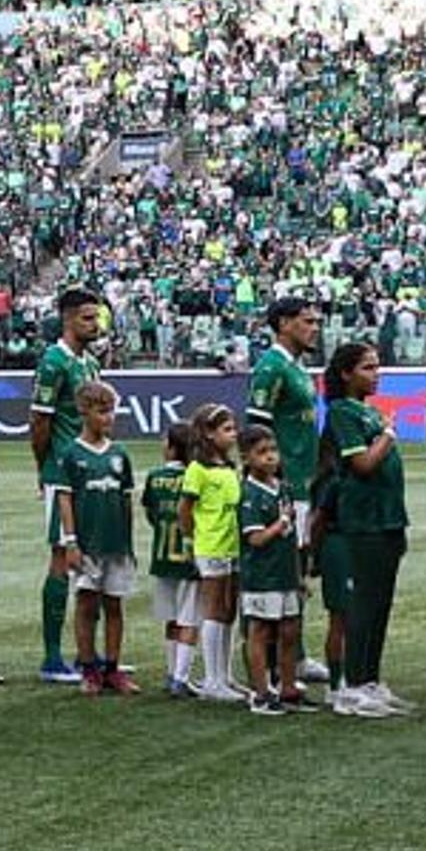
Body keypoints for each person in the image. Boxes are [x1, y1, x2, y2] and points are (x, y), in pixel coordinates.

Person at [243, 294, 333, 689]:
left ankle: (293, 655)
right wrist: (271, 481)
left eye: (315, 321)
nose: (313, 327)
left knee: (295, 569)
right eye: (306, 321)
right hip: (285, 485)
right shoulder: (271, 367)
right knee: (281, 570)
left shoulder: (296, 366)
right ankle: (274, 661)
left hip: (302, 481)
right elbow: (256, 427)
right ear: (283, 324)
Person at [320, 338, 411, 718]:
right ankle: (351, 686)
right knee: (362, 605)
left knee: (380, 603)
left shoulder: (368, 412)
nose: (376, 375)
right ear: (346, 374)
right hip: (363, 520)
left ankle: (371, 680)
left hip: (387, 517)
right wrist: (388, 435)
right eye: (367, 368)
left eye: (377, 366)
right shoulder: (343, 412)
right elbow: (362, 465)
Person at [27, 285, 106, 683]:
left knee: (91, 561)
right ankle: (52, 657)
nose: (94, 325)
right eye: (87, 318)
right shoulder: (54, 362)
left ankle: (87, 655)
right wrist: (46, 469)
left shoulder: (89, 363)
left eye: (96, 318)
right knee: (61, 558)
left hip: (92, 473)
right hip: (65, 474)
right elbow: (39, 422)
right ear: (68, 319)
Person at [51, 377, 138, 696]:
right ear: (84, 412)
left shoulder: (120, 454)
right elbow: (65, 499)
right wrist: (71, 541)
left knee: (115, 605)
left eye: (112, 411)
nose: (109, 418)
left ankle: (113, 668)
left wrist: (129, 543)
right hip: (87, 544)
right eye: (102, 411)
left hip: (116, 544)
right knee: (87, 605)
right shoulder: (72, 454)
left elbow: (127, 498)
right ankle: (88, 668)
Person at [236, 426, 302, 715]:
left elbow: (292, 536)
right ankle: (260, 692)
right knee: (260, 632)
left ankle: (288, 688)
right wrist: (281, 524)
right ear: (246, 457)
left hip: (286, 573)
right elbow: (256, 539)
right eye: (261, 452)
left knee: (290, 631)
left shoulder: (283, 487)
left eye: (272, 451)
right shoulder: (249, 494)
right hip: (261, 577)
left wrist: (299, 575)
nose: (270, 457)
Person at [183, 401, 242, 703]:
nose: (233, 435)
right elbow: (186, 509)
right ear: (208, 433)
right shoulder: (198, 469)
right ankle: (212, 679)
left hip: (231, 545)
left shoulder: (228, 468)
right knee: (215, 609)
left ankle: (225, 675)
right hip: (212, 545)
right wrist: (194, 540)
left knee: (229, 610)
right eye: (227, 429)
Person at [140, 420, 198, 696]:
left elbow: (151, 512)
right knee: (189, 618)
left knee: (171, 618)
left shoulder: (155, 477)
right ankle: (181, 677)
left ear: (173, 448)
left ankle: (170, 671)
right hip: (190, 559)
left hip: (162, 555)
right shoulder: (196, 477)